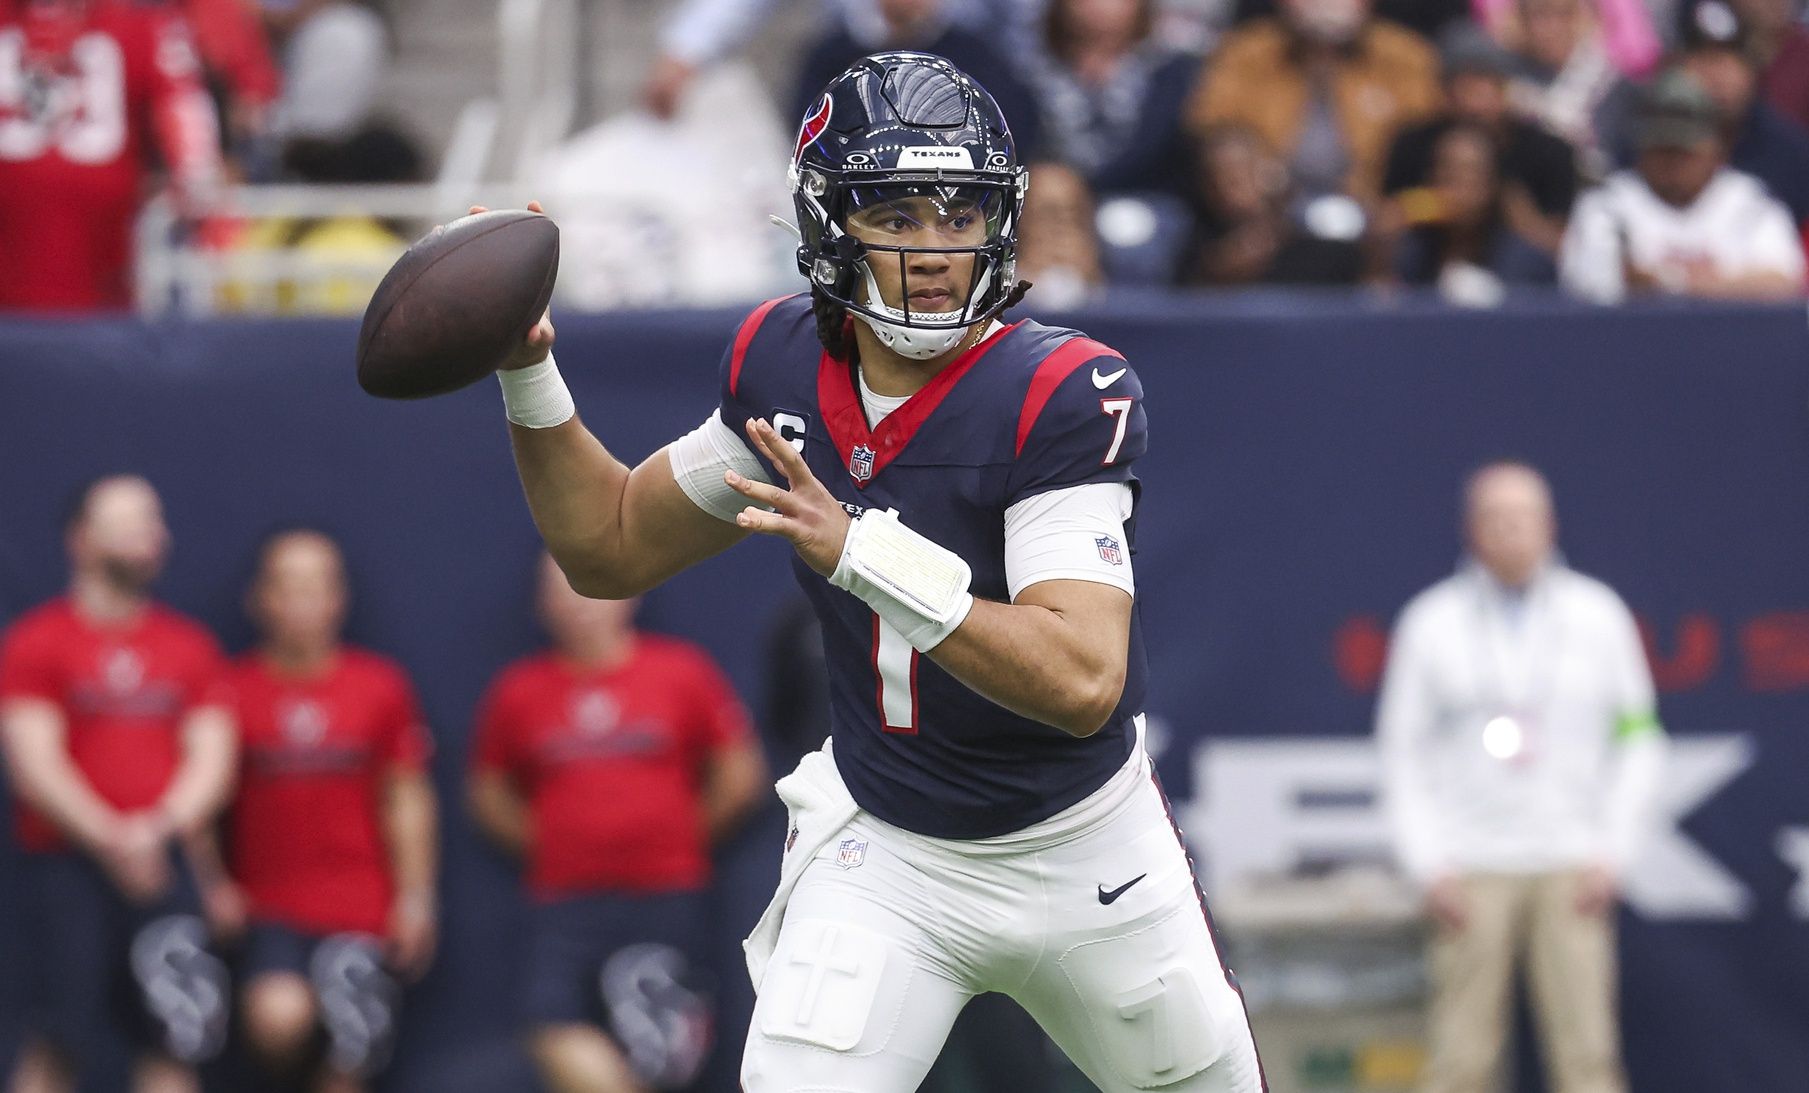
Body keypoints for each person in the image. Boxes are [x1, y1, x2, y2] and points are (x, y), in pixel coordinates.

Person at [472, 50, 1265, 1092]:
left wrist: (860, 548)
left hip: (1083, 846)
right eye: (898, 215)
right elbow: (611, 544)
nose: (935, 250)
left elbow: (1081, 681)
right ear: (827, 223)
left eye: (959, 214)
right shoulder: (784, 365)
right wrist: (528, 369)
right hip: (892, 852)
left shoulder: (1060, 390)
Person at [1376, 461, 1669, 1093]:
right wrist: (1428, 863)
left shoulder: (1598, 614)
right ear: (1471, 530)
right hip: (1470, 866)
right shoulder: (1431, 623)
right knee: (1461, 1059)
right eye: (1495, 518)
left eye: (1523, 517)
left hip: (1572, 861)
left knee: (1587, 1056)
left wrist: (1614, 850)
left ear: (1549, 524)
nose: (1510, 531)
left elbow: (1639, 739)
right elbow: (1402, 754)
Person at [468, 556, 768, 1093]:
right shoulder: (517, 691)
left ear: (629, 590)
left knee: (671, 1058)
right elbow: (489, 793)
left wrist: (677, 833)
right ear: (542, 604)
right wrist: (555, 842)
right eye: (560, 590)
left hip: (668, 897)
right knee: (551, 1029)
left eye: (589, 585)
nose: (578, 602)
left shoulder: (683, 671)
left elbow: (740, 771)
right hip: (563, 903)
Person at [0, 475, 237, 1093]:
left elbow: (212, 758)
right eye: (131, 523)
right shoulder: (35, 643)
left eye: (154, 524)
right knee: (57, 1042)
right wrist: (112, 839)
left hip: (166, 869)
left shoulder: (190, 647)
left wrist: (155, 831)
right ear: (81, 539)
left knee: (174, 1040)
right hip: (65, 871)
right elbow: (34, 763)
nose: (151, 538)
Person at [196, 529, 438, 1092]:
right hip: (269, 907)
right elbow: (198, 805)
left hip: (362, 907)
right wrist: (210, 883)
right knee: (276, 1021)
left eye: (315, 586)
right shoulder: (230, 689)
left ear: (338, 599)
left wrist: (416, 896)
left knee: (354, 1044)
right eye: (287, 586)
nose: (301, 601)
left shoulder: (379, 686)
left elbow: (405, 795)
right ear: (260, 600)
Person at [0, 0, 223, 311]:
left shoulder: (139, 23)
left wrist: (195, 183)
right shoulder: (140, 23)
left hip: (103, 270)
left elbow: (186, 119)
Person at [1560, 69, 1805, 301]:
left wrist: (1673, 282)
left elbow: (1783, 282)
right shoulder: (1607, 204)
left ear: (1716, 150)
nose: (1673, 163)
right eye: (1663, 149)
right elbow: (1591, 286)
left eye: (1684, 151)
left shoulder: (1750, 202)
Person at [1188, 0, 1442, 208]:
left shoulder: (1404, 56)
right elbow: (1208, 120)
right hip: (1270, 200)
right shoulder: (1247, 50)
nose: (1325, 4)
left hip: (1370, 203)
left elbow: (1426, 133)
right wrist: (1242, 159)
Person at [1383, 22, 1579, 258]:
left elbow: (1565, 250)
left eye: (1484, 84)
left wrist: (1510, 210)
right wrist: (1421, 208)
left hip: (1515, 276)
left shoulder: (1547, 152)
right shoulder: (1413, 144)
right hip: (1428, 265)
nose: (1474, 101)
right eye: (1463, 86)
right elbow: (1385, 220)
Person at [792, 0, 1041, 160]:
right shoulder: (833, 55)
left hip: (957, 178)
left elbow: (1010, 124)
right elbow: (810, 131)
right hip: (862, 183)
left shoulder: (974, 54)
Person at [1024, 0, 1199, 197]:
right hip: (1052, 197)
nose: (1099, 5)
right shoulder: (1027, 72)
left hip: (1147, 200)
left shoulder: (1172, 72)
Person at [1670, 0, 1809, 226]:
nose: (1716, 76)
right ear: (1675, 66)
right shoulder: (1649, 146)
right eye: (1703, 58)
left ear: (1753, 67)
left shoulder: (1793, 156)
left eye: (1731, 59)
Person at [1181, 125, 1367, 286]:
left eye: (1240, 174)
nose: (1226, 187)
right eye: (1217, 176)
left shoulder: (1321, 242)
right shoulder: (1194, 244)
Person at [1389, 123, 1557, 291]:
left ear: (1492, 184)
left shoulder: (1527, 263)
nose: (1458, 186)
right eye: (1448, 171)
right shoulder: (1407, 254)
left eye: (1470, 173)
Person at [1497, 0, 1639, 179]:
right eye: (1540, 16)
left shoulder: (1609, 81)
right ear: (1521, 21)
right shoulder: (1504, 78)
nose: (1553, 27)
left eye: (1563, 14)